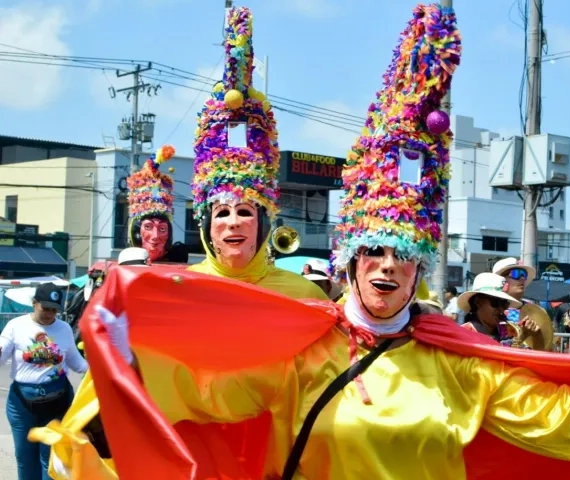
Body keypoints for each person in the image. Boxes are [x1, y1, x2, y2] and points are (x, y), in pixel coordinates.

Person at [71, 5, 570, 479]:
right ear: (350, 263)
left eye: (404, 255)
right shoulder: (303, 349)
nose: (388, 267)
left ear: (421, 270)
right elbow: (207, 391)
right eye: (374, 251)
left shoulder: (457, 364)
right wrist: (131, 353)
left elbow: (558, 416)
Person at [31, 8, 327, 478]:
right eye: (221, 213)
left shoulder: (307, 299)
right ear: (206, 227)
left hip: (277, 461)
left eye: (245, 212)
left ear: (264, 221)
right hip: (193, 461)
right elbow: (124, 378)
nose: (233, 223)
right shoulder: (177, 291)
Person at [1, 283, 87, 480]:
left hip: (56, 404)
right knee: (25, 457)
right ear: (34, 303)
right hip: (21, 405)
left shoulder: (64, 328)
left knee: (50, 459)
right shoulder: (16, 326)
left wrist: (100, 369)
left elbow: (77, 363)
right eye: (45, 308)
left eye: (54, 310)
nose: (49, 314)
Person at [125, 145, 189, 264]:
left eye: (162, 229)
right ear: (136, 231)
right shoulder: (125, 263)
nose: (155, 236)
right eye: (148, 227)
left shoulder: (178, 265)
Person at [459, 273, 539, 347]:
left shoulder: (509, 331)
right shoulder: (463, 334)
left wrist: (526, 336)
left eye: (504, 304)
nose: (501, 310)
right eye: (495, 302)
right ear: (478, 302)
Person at [491, 257, 552, 350]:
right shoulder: (491, 309)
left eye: (524, 274)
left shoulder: (534, 310)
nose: (522, 278)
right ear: (501, 279)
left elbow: (546, 347)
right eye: (516, 273)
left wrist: (537, 336)